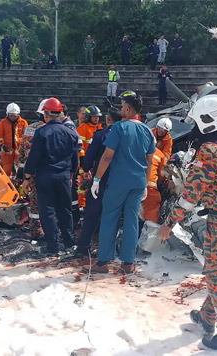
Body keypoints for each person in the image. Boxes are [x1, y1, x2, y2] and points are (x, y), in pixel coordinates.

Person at [158, 95, 217, 354]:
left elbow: (191, 194)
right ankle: (206, 316)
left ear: (206, 121)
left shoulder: (210, 150)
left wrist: (170, 222)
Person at [83, 91, 155, 274]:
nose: (121, 108)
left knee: (109, 218)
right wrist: (145, 183)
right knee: (131, 220)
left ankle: (102, 263)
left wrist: (96, 180)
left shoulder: (119, 128)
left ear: (129, 108)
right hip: (138, 182)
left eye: (122, 106)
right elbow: (150, 161)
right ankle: (128, 263)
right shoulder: (147, 130)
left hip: (119, 181)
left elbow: (107, 156)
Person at [23, 98, 79, 256]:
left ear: (46, 114)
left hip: (45, 176)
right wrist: (72, 174)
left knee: (47, 211)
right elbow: (75, 157)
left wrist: (27, 176)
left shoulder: (41, 132)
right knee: (65, 210)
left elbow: (34, 157)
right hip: (64, 176)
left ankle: (53, 247)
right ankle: (69, 242)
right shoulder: (70, 132)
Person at [76, 107, 122, 256]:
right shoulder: (127, 135)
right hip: (121, 181)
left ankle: (84, 247)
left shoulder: (100, 136)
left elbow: (88, 159)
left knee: (92, 214)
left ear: (107, 120)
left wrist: (87, 169)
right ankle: (111, 249)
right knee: (115, 216)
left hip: (101, 180)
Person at [17, 99, 48, 239]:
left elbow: (23, 151)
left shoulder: (30, 128)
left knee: (35, 202)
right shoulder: (57, 128)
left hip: (32, 172)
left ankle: (36, 231)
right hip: (52, 171)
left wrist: (23, 173)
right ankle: (52, 229)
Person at [77, 105, 103, 210]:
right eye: (94, 116)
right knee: (83, 185)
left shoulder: (100, 128)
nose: (96, 118)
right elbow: (80, 147)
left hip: (96, 162)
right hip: (85, 162)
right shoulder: (83, 129)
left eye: (98, 116)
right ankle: (81, 207)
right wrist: (84, 163)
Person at [61, 104, 82, 225]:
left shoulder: (68, 125)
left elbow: (77, 146)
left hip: (69, 166)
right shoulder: (64, 125)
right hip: (69, 165)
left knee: (71, 193)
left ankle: (74, 219)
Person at [0, 102, 28, 176]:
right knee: (6, 170)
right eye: (11, 116)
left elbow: (26, 136)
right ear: (7, 114)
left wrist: (23, 146)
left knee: (21, 169)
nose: (13, 117)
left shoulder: (23, 123)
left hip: (19, 150)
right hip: (7, 150)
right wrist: (2, 145)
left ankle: (19, 184)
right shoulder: (2, 123)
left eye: (15, 116)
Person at [142, 147, 167, 223]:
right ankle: (150, 229)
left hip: (127, 183)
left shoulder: (134, 147)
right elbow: (162, 174)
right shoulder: (159, 154)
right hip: (148, 187)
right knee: (153, 204)